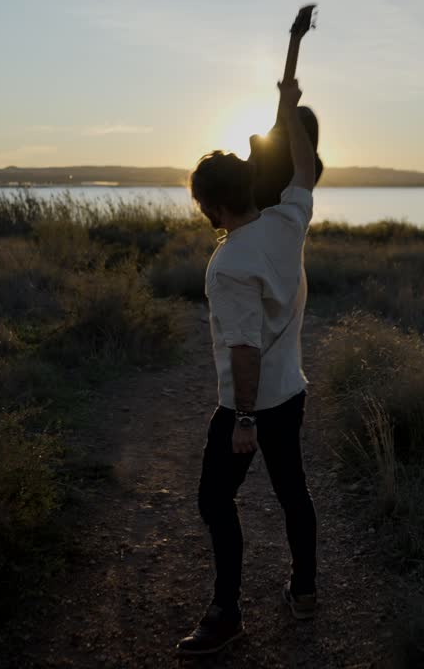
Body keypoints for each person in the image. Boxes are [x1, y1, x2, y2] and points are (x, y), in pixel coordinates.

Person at [176, 78, 319, 656]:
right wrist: (289, 109)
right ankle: (304, 591)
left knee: (215, 501)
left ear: (212, 205)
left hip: (254, 406)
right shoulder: (287, 220)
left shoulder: (229, 264)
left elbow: (243, 349)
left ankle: (226, 613)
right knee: (293, 493)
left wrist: (241, 420)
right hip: (292, 393)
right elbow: (303, 168)